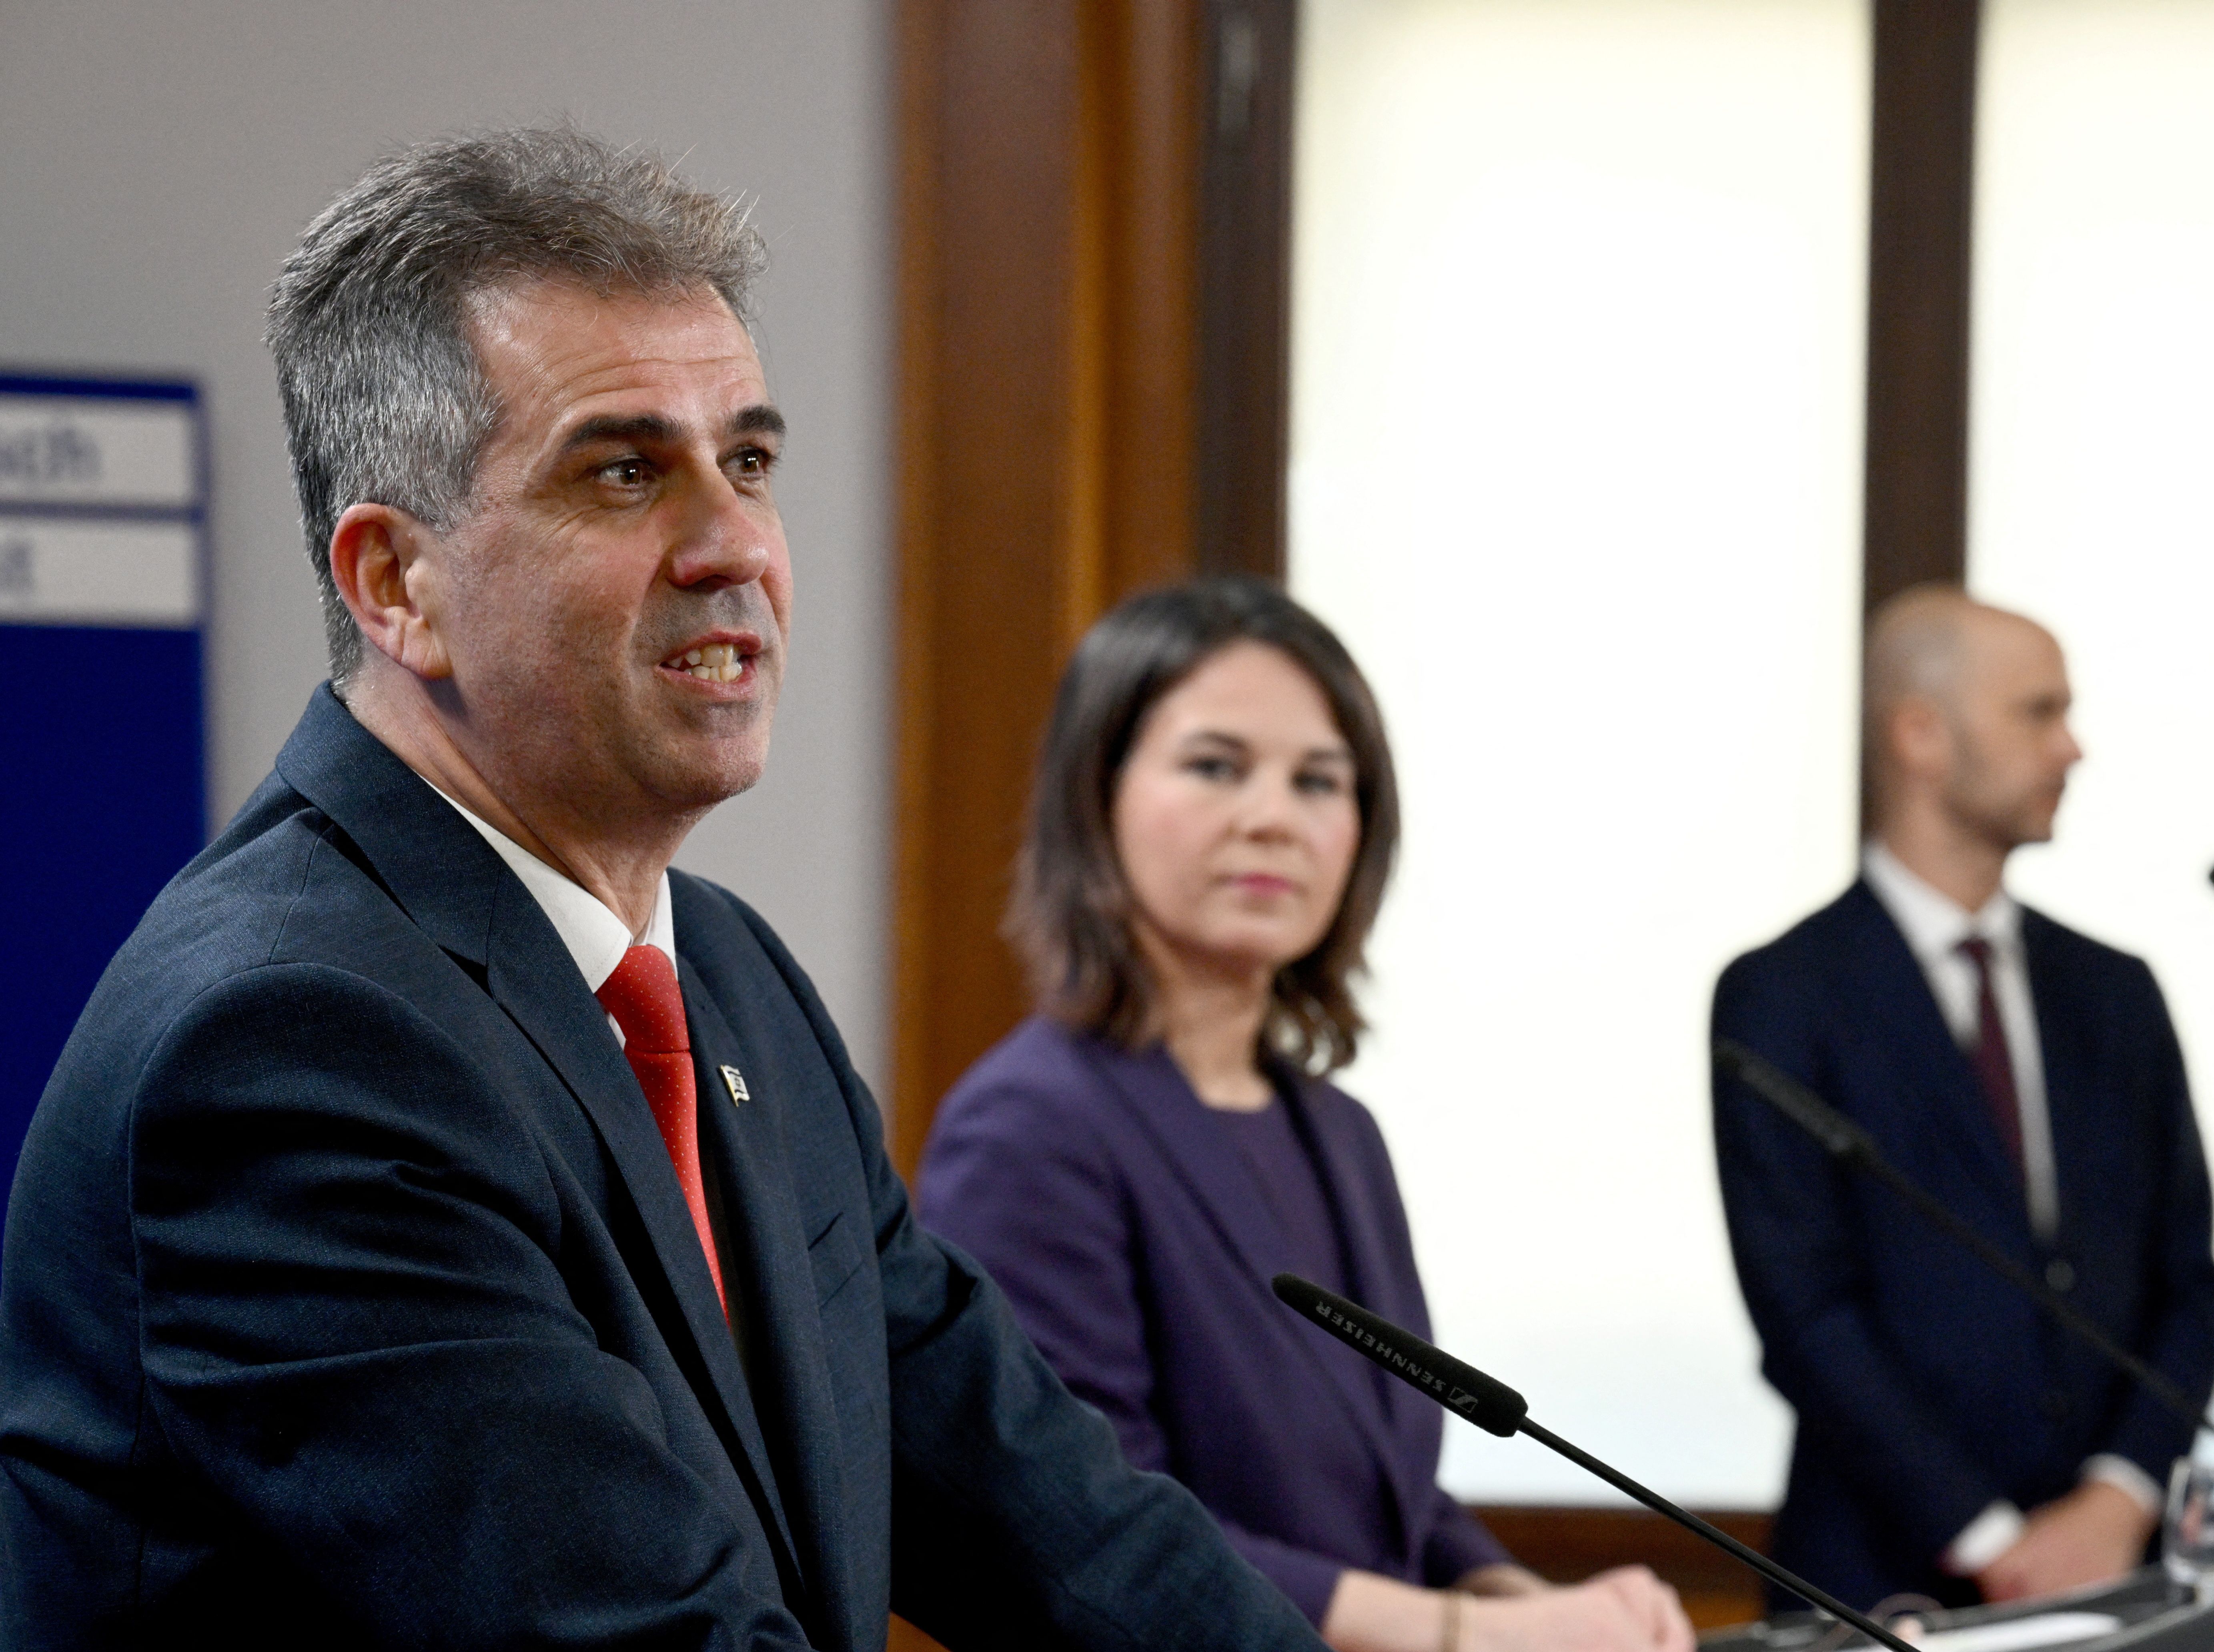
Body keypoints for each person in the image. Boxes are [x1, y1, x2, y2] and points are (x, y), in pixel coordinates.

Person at [0, 128, 1329, 1651]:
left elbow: (1056, 1517)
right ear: (395, 584)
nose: (735, 544)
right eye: (625, 472)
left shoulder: (729, 983)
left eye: (747, 461)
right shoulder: (294, 1049)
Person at [915, 579, 1695, 1652]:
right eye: (1215, 766)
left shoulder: (1337, 1133)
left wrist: (1517, 1595)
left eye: (1319, 781)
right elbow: (1093, 1531)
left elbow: (1383, 1488)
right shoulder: (1030, 1128)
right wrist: (1465, 1634)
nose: (1273, 819)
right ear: (1097, 794)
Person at [1711, 585, 2214, 1612]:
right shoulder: (1784, 995)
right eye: (2039, 712)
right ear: (1921, 736)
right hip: (1875, 1590)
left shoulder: (2116, 994)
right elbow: (1805, 1311)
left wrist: (2117, 1500)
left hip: (2119, 1583)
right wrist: (1994, 1541)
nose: (2072, 747)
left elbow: (2191, 1285)